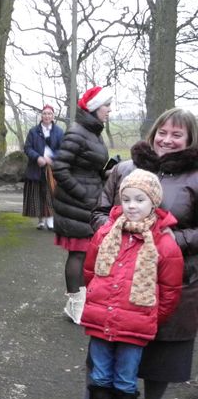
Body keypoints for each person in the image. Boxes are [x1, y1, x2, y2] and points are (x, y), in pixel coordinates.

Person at [58, 107, 198, 399]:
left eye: (177, 134)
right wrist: (113, 230)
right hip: (117, 278)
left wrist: (171, 240)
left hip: (174, 278)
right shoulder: (125, 169)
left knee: (163, 352)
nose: (167, 139)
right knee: (103, 344)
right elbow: (99, 211)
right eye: (163, 132)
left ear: (190, 139)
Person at [75, 169, 183, 399]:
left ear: (154, 203)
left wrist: (147, 318)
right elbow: (90, 271)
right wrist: (97, 301)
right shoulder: (106, 233)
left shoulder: (164, 243)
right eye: (126, 199)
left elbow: (170, 291)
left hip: (135, 328)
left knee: (125, 379)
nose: (132, 205)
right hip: (102, 322)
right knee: (99, 376)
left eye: (140, 199)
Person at [52, 86, 112, 323]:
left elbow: (89, 166)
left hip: (90, 201)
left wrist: (106, 173)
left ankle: (76, 305)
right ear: (95, 108)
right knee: (78, 254)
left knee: (86, 254)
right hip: (76, 204)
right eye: (106, 105)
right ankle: (77, 305)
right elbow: (59, 168)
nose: (109, 110)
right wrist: (83, 194)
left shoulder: (93, 132)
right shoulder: (77, 132)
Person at [23, 105, 64, 230]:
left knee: (51, 193)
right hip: (36, 167)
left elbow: (63, 149)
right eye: (45, 114)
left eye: (49, 114)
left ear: (53, 116)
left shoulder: (59, 132)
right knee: (37, 193)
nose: (47, 116)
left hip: (52, 168)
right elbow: (28, 148)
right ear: (41, 116)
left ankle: (51, 219)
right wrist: (37, 157)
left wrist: (52, 158)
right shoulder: (33, 131)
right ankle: (41, 220)